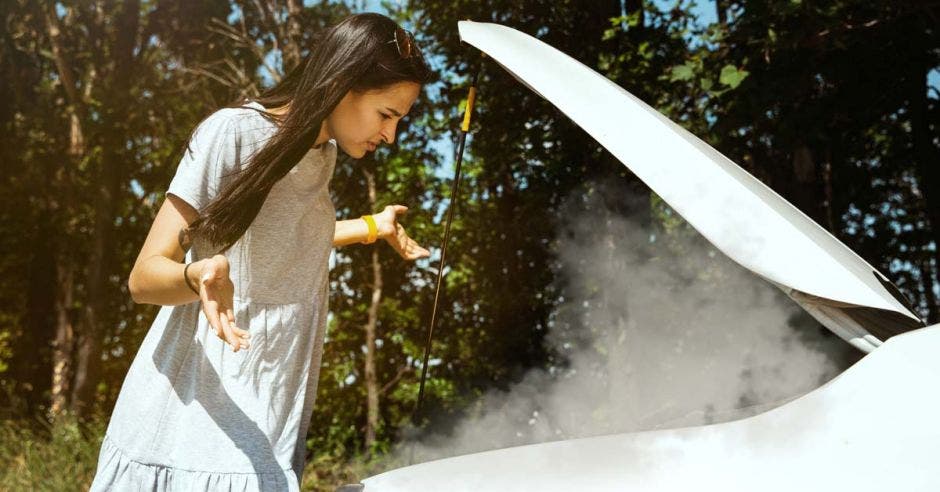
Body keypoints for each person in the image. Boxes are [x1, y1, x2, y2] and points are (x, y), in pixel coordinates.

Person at [89, 12, 433, 491]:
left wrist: (373, 226)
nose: (391, 135)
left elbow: (279, 237)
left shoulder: (321, 154)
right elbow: (143, 278)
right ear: (343, 83)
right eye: (387, 115)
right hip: (195, 422)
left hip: (269, 411)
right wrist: (197, 275)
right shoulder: (231, 133)